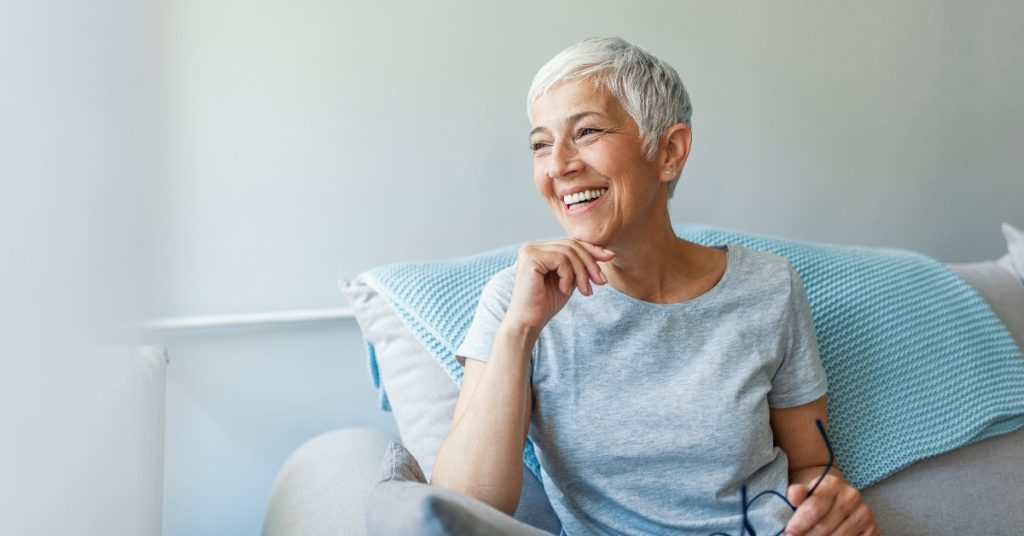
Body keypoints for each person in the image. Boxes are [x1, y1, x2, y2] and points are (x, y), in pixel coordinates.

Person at [430, 37, 879, 536]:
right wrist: (518, 332)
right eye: (540, 144)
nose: (558, 164)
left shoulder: (770, 287)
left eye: (587, 131)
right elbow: (461, 508)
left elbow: (812, 464)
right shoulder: (515, 301)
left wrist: (832, 512)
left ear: (669, 151)